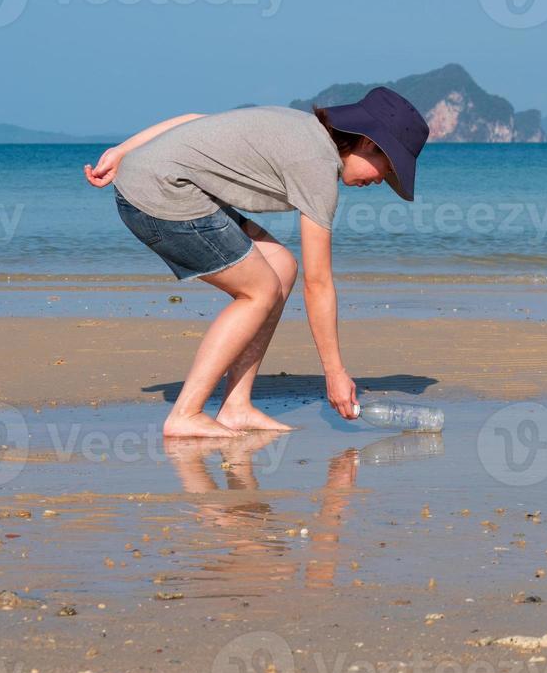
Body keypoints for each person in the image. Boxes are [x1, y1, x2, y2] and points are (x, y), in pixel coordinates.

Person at [83, 88, 429, 438]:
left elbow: (194, 121)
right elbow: (319, 282)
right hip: (160, 194)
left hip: (165, 184)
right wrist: (335, 373)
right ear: (368, 143)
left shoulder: (303, 127)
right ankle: (185, 414)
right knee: (260, 290)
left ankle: (236, 406)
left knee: (281, 266)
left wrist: (123, 150)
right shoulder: (317, 167)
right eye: (388, 168)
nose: (382, 181)